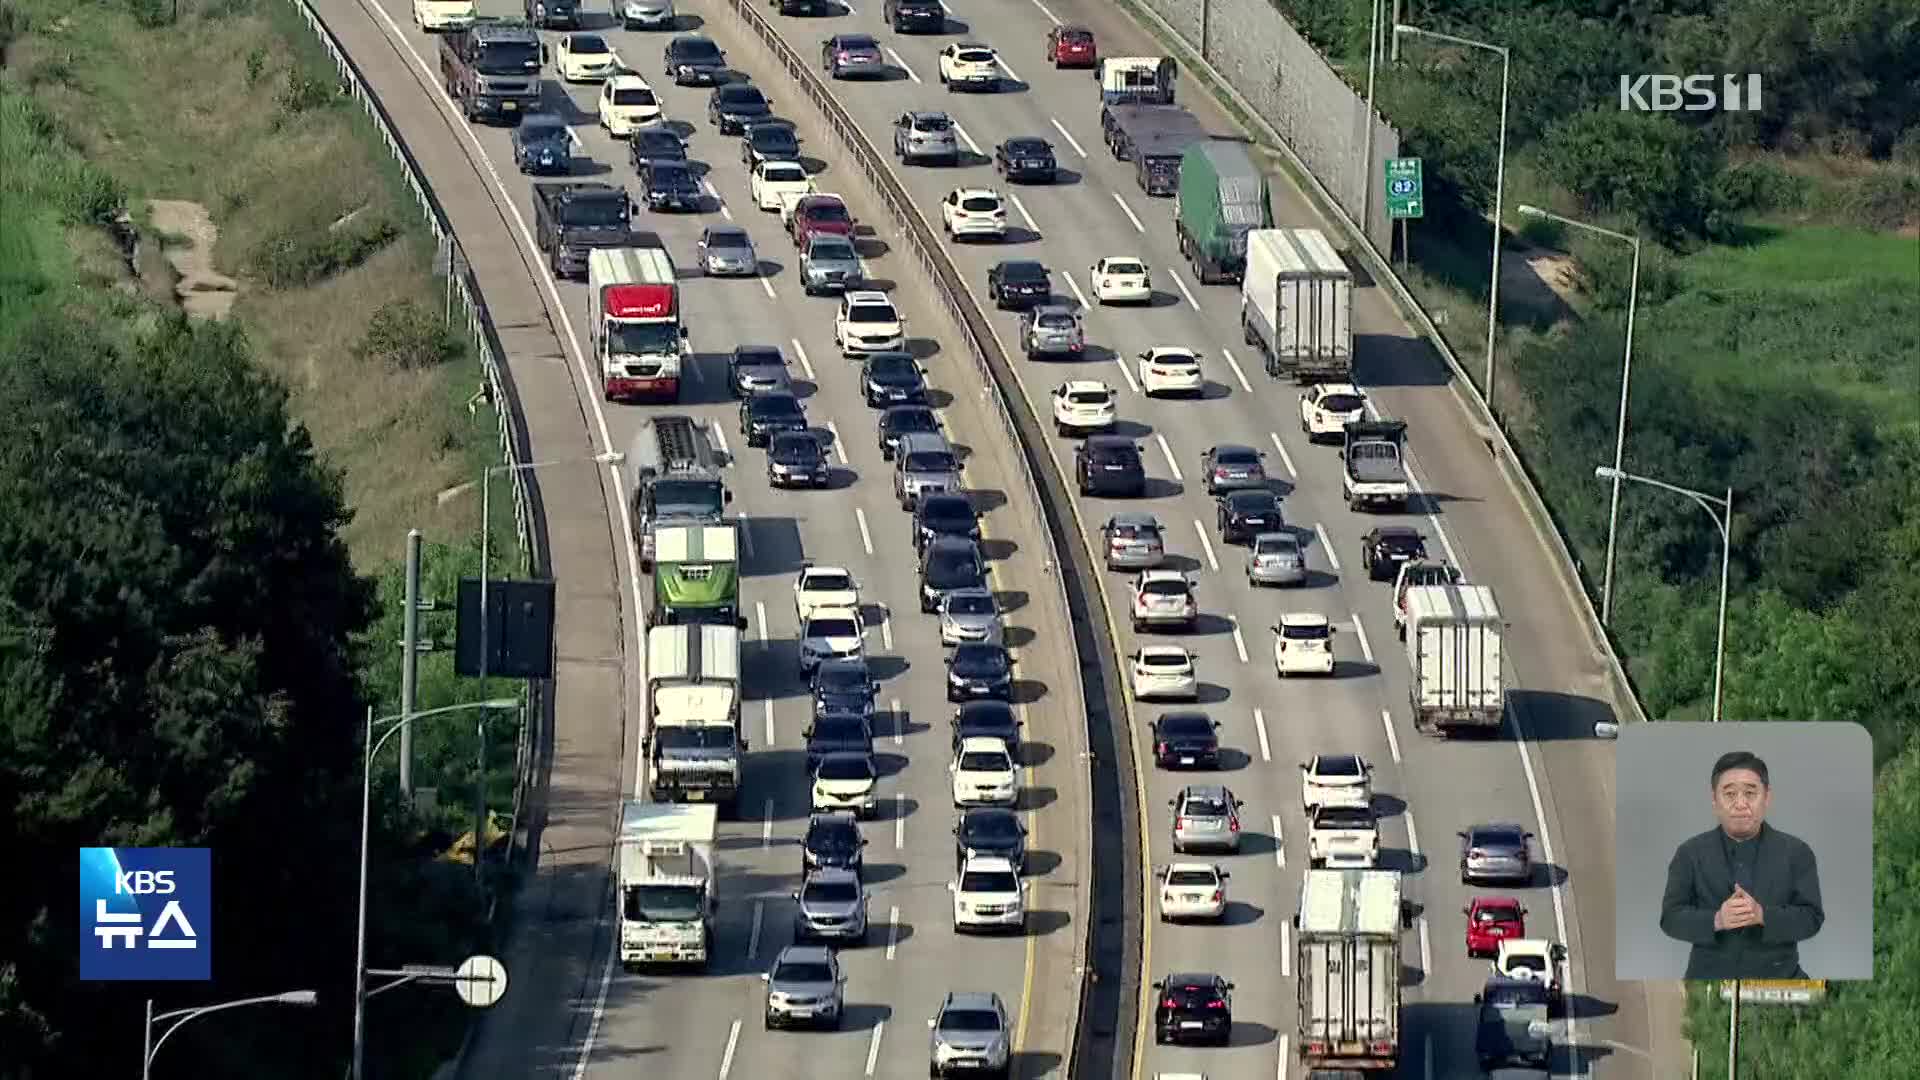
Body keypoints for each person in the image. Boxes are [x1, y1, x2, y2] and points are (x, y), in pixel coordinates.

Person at [1658, 750, 1825, 979]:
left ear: (1767, 798)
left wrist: (1763, 915)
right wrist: (1717, 919)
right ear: (1714, 800)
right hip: (1708, 979)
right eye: (1729, 794)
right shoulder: (1689, 853)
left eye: (1750, 793)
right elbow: (1670, 918)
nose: (1740, 804)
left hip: (1781, 977)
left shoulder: (1797, 853)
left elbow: (1812, 918)